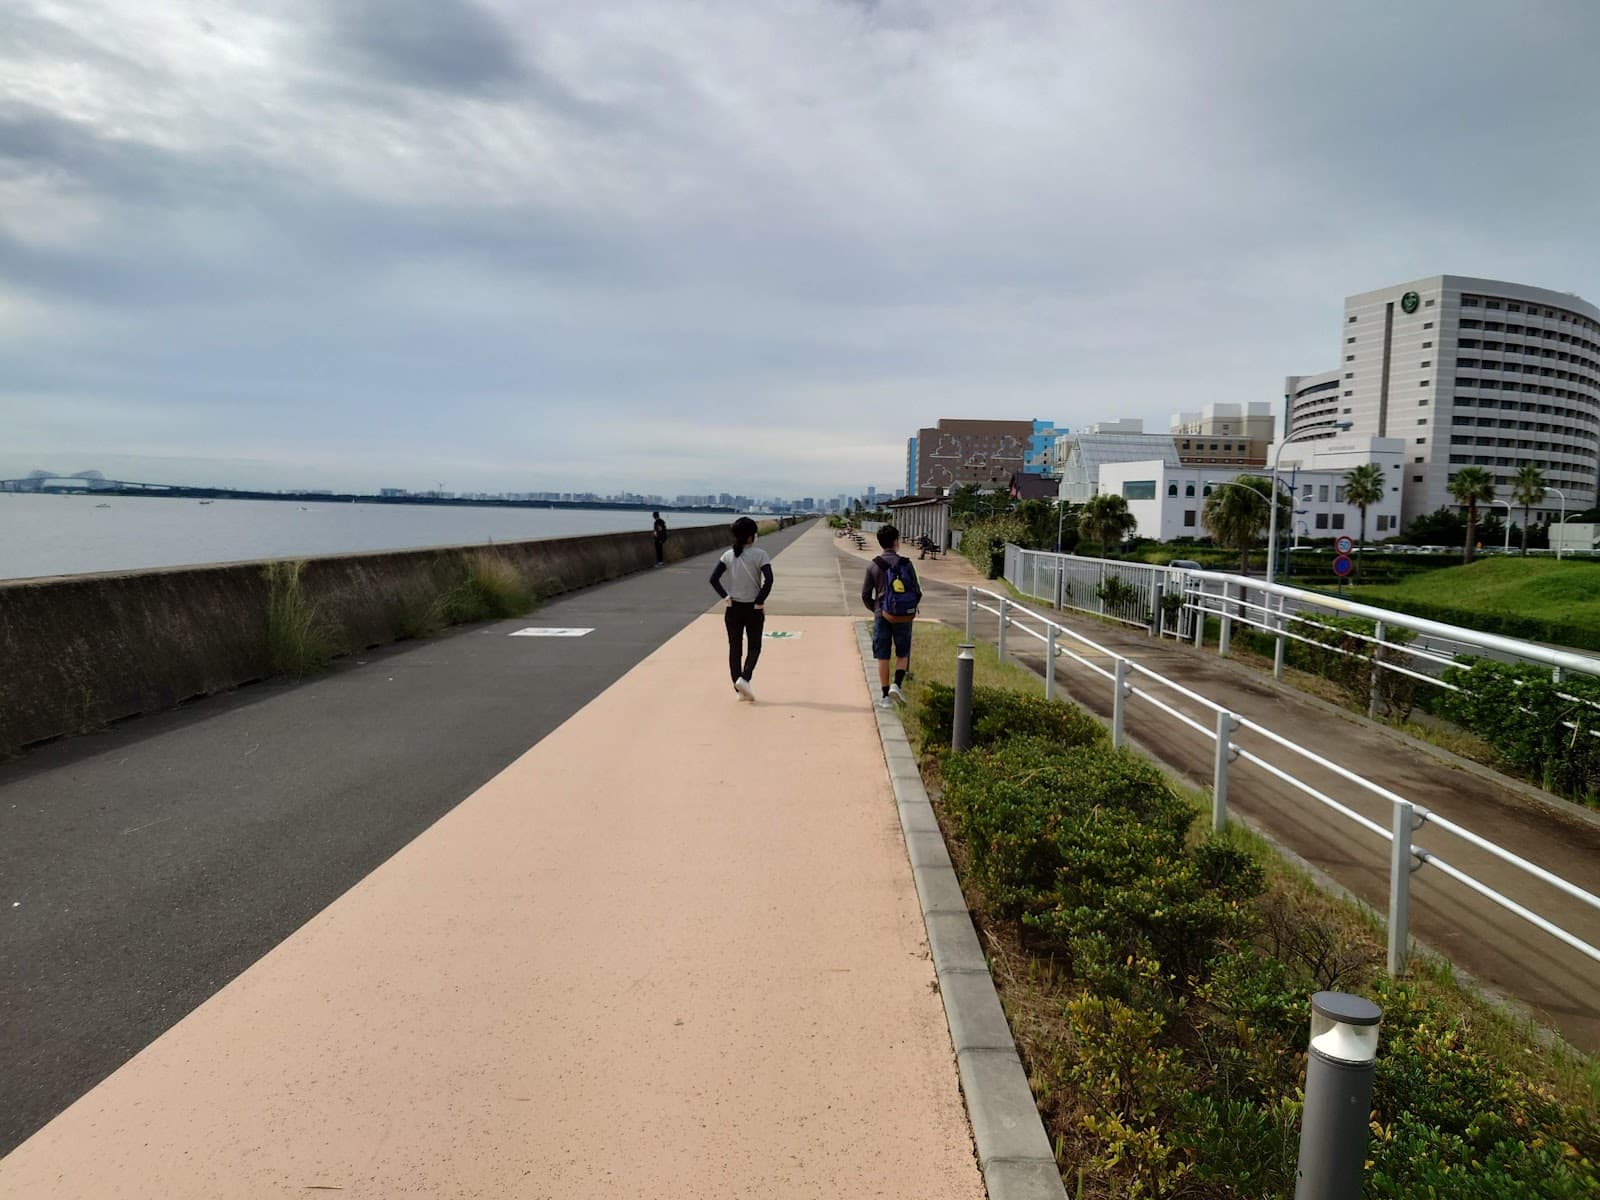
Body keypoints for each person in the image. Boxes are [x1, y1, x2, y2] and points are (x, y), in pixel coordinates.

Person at [708, 516, 773, 701]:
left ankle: (739, 690)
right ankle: (744, 678)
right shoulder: (760, 555)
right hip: (753, 608)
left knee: (735, 648)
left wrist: (725, 596)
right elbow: (769, 580)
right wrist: (760, 600)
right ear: (751, 535)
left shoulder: (728, 555)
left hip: (733, 608)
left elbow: (713, 579)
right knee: (755, 646)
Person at [862, 524, 920, 708]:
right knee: (903, 652)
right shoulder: (906, 564)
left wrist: (876, 609)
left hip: (882, 614)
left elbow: (865, 595)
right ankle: (897, 685)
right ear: (896, 541)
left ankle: (885, 696)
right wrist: (909, 608)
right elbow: (917, 591)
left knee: (883, 655)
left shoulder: (873, 565)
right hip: (903, 615)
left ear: (880, 542)